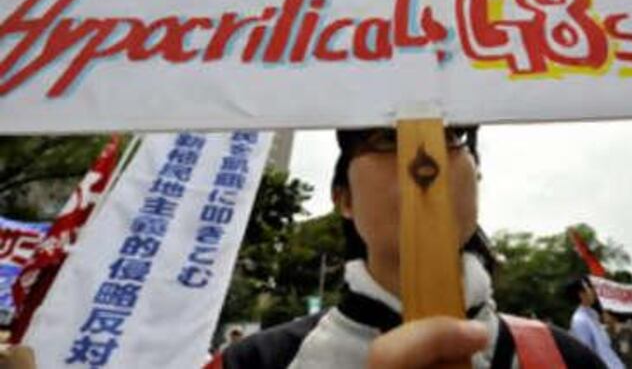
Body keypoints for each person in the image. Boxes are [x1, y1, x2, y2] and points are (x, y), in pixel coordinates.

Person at [218, 126, 605, 368]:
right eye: (388, 138)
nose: (425, 161)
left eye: (451, 135)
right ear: (344, 199)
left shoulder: (563, 357)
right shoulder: (252, 362)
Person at [566, 277, 625, 368]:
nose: (593, 291)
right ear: (581, 294)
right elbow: (586, 354)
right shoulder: (579, 320)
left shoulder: (593, 314)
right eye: (589, 288)